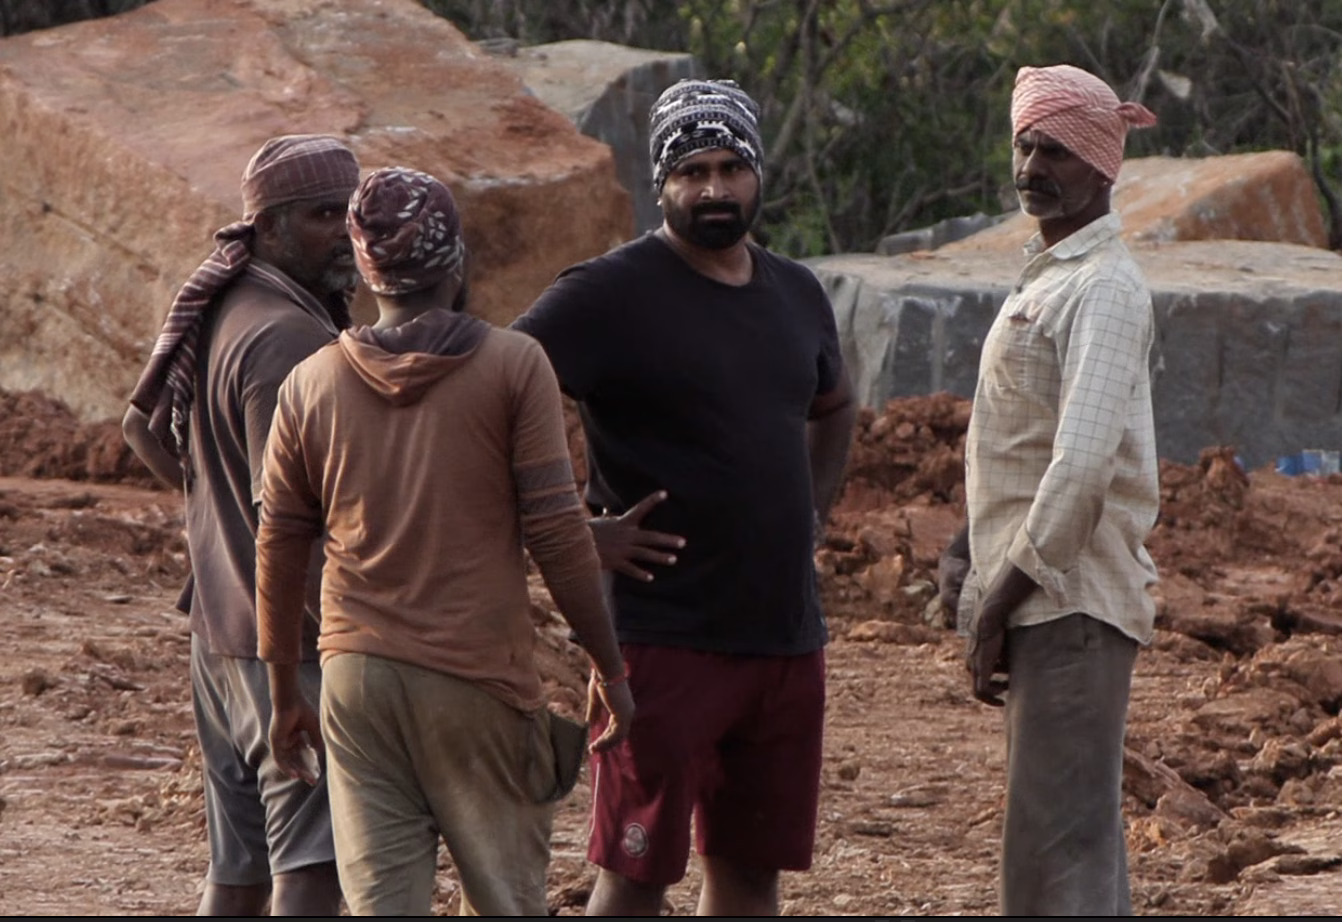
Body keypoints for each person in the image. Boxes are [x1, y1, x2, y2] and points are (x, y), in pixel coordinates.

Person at [512, 78, 857, 917]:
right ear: (660, 183)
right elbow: (492, 396)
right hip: (661, 639)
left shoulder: (796, 292)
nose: (714, 189)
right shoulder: (609, 292)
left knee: (751, 873)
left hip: (783, 638)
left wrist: (811, 514)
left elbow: (835, 404)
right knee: (636, 875)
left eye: (731, 167)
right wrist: (572, 532)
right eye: (691, 172)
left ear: (758, 173)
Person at [253, 166, 635, 916]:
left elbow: (278, 545)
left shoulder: (311, 383)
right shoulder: (513, 366)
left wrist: (283, 693)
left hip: (356, 681)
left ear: (365, 272)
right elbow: (556, 531)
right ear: (456, 260)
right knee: (504, 901)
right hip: (476, 679)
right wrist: (609, 665)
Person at [937, 64, 1160, 915]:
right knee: (1066, 849)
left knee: (1056, 861)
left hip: (1069, 603)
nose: (1032, 166)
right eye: (1025, 146)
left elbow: (1081, 467)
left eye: (1056, 151)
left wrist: (996, 604)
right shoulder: (1051, 275)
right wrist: (967, 552)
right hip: (1041, 598)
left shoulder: (1104, 287)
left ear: (1102, 166)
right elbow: (1021, 444)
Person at [122, 134, 359, 916]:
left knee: (239, 877)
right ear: (269, 227)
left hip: (221, 632)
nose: (345, 231)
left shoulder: (233, 305)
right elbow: (288, 523)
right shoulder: (289, 338)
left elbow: (140, 428)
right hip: (285, 649)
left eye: (351, 211)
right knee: (312, 870)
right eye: (323, 215)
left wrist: (208, 510)